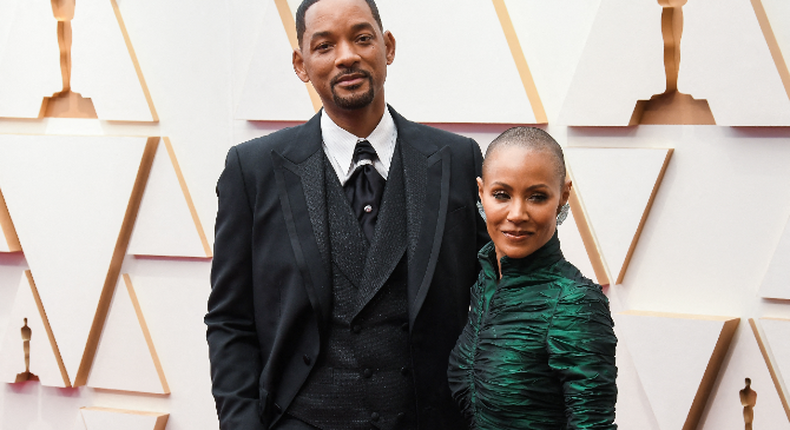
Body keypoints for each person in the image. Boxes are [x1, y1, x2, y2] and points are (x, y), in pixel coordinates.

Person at [205, 0, 487, 429]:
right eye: (324, 45)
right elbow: (230, 319)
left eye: (362, 38)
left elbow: (498, 293)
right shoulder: (253, 169)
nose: (347, 56)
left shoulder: (458, 159)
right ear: (301, 64)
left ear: (387, 47)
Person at [448, 127, 618, 429]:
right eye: (501, 194)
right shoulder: (484, 283)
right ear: (481, 193)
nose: (517, 213)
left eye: (537, 197)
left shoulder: (575, 303)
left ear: (563, 196)